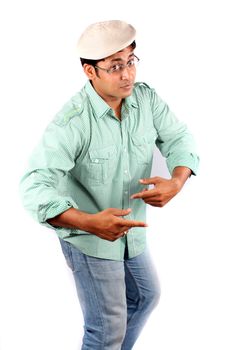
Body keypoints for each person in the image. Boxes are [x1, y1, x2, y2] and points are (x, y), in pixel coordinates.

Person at [20, 20, 199, 350]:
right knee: (106, 327)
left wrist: (177, 181)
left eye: (131, 61)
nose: (128, 74)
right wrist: (89, 222)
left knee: (146, 296)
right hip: (90, 239)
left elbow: (179, 138)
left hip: (132, 231)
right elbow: (33, 187)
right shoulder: (72, 122)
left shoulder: (145, 100)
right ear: (90, 71)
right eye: (116, 67)